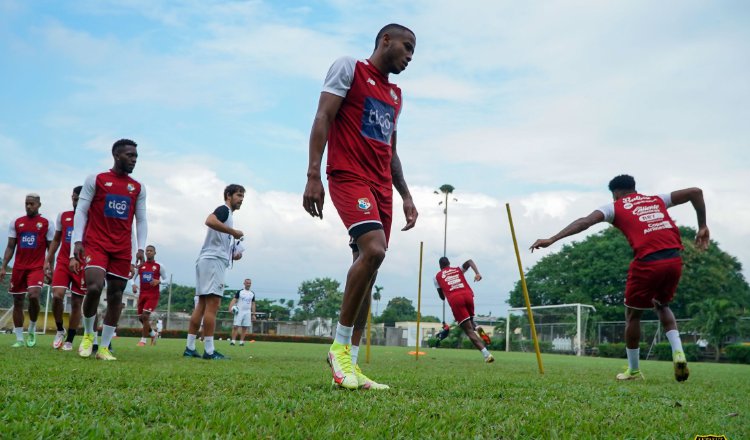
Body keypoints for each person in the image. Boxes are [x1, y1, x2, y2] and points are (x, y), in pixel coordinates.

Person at [303, 23, 418, 390]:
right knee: (374, 250)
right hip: (349, 176)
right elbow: (323, 117)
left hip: (382, 186)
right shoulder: (349, 68)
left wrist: (406, 195)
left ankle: (350, 367)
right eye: (407, 46)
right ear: (386, 40)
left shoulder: (396, 95)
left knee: (369, 271)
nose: (410, 56)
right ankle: (337, 348)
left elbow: (391, 151)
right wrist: (313, 175)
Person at [530, 174, 709, 382]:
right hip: (674, 259)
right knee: (662, 305)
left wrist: (552, 238)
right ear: (634, 188)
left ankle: (633, 371)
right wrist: (702, 226)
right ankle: (678, 352)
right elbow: (696, 192)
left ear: (615, 193)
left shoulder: (614, 207)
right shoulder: (656, 199)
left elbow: (585, 222)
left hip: (648, 262)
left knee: (632, 315)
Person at [70, 139, 147, 361]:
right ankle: (88, 334)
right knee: (94, 287)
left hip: (122, 248)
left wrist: (140, 248)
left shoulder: (138, 187)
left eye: (136, 156)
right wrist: (77, 241)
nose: (134, 160)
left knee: (116, 295)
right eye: (130, 155)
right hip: (96, 243)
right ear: (116, 156)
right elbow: (82, 211)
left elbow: (141, 220)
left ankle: (104, 347)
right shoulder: (96, 179)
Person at [183, 184, 245, 360]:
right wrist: (233, 232)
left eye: (242, 197)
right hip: (213, 261)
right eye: (238, 196)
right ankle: (209, 350)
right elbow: (209, 220)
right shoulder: (224, 210)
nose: (241, 200)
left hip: (207, 259)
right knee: (213, 305)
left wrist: (233, 254)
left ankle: (190, 347)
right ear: (228, 195)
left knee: (201, 305)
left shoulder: (228, 215)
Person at [0, 193, 55, 347]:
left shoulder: (46, 223)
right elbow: (10, 246)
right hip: (19, 267)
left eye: (32, 204)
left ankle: (31, 325)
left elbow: (51, 248)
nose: (29, 206)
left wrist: (51, 268)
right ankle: (19, 339)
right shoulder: (16, 222)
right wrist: (3, 266)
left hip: (37, 267)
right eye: (26, 203)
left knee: (33, 295)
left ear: (39, 205)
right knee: (18, 301)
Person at [45, 186, 86, 350]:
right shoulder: (63, 216)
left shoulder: (91, 218)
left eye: (78, 199)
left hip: (81, 263)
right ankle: (60, 329)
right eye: (73, 198)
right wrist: (48, 260)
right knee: (57, 296)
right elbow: (56, 239)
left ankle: (69, 339)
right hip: (63, 261)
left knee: (77, 302)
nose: (75, 201)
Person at [434, 257, 494, 363]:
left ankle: (487, 355)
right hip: (468, 295)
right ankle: (478, 326)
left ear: (440, 266)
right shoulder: (457, 269)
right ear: (449, 263)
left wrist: (445, 289)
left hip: (456, 299)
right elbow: (470, 261)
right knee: (470, 321)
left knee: (468, 330)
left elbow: (442, 297)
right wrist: (477, 273)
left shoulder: (437, 277)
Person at [132, 245, 167, 346]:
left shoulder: (159, 266)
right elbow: (132, 277)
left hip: (153, 295)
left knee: (145, 316)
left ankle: (143, 340)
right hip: (142, 294)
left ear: (155, 253)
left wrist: (159, 281)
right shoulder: (141, 266)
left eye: (151, 251)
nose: (148, 252)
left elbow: (166, 280)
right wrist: (133, 285)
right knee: (140, 318)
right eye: (147, 251)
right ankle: (153, 334)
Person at [228, 278, 255, 346]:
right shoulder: (240, 292)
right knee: (236, 326)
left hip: (247, 312)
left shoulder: (252, 293)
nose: (248, 284)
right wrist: (230, 308)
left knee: (245, 327)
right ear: (244, 283)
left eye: (249, 283)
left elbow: (253, 304)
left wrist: (253, 314)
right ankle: (233, 341)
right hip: (239, 311)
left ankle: (241, 341)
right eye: (247, 283)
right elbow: (234, 300)